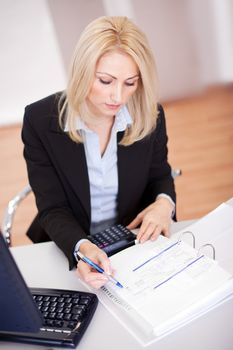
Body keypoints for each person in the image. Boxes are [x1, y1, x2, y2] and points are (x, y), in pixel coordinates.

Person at [22, 16, 176, 289]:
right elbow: (52, 208)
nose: (118, 96)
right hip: (67, 245)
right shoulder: (39, 120)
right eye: (106, 81)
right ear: (83, 71)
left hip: (130, 244)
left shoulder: (150, 115)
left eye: (130, 83)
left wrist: (164, 204)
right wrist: (82, 247)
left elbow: (160, 176)